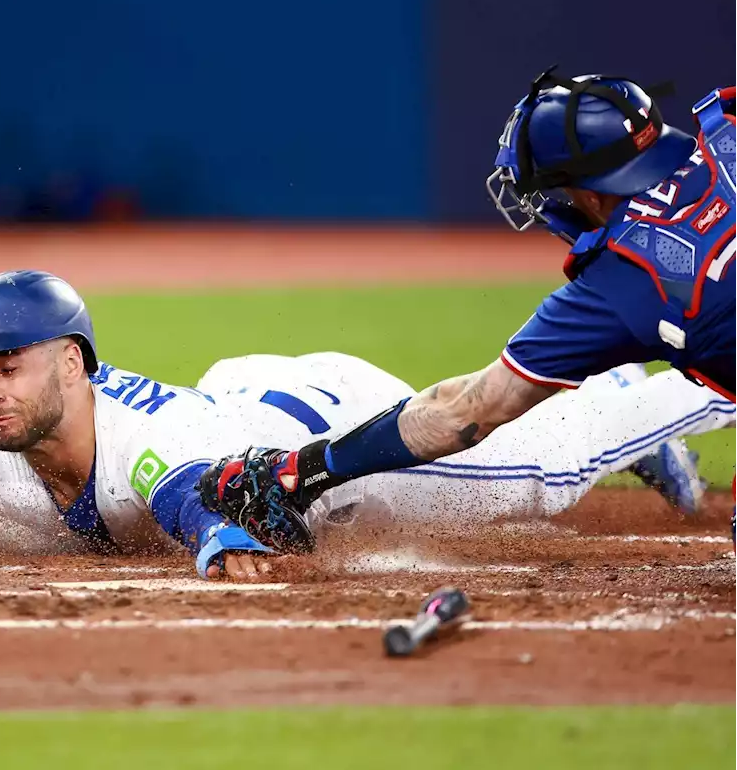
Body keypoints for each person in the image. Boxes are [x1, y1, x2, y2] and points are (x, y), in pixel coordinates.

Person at [0, 270, 725, 577]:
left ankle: (676, 383)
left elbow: (190, 492)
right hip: (245, 386)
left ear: (71, 362)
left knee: (541, 466)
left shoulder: (143, 447)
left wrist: (219, 540)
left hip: (325, 428)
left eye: (7, 365)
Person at [198, 69, 737, 534]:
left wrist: (305, 470)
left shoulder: (625, 280)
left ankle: (634, 409)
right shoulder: (727, 129)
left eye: (563, 191)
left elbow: (470, 411)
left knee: (539, 462)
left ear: (592, 194)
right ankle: (634, 402)